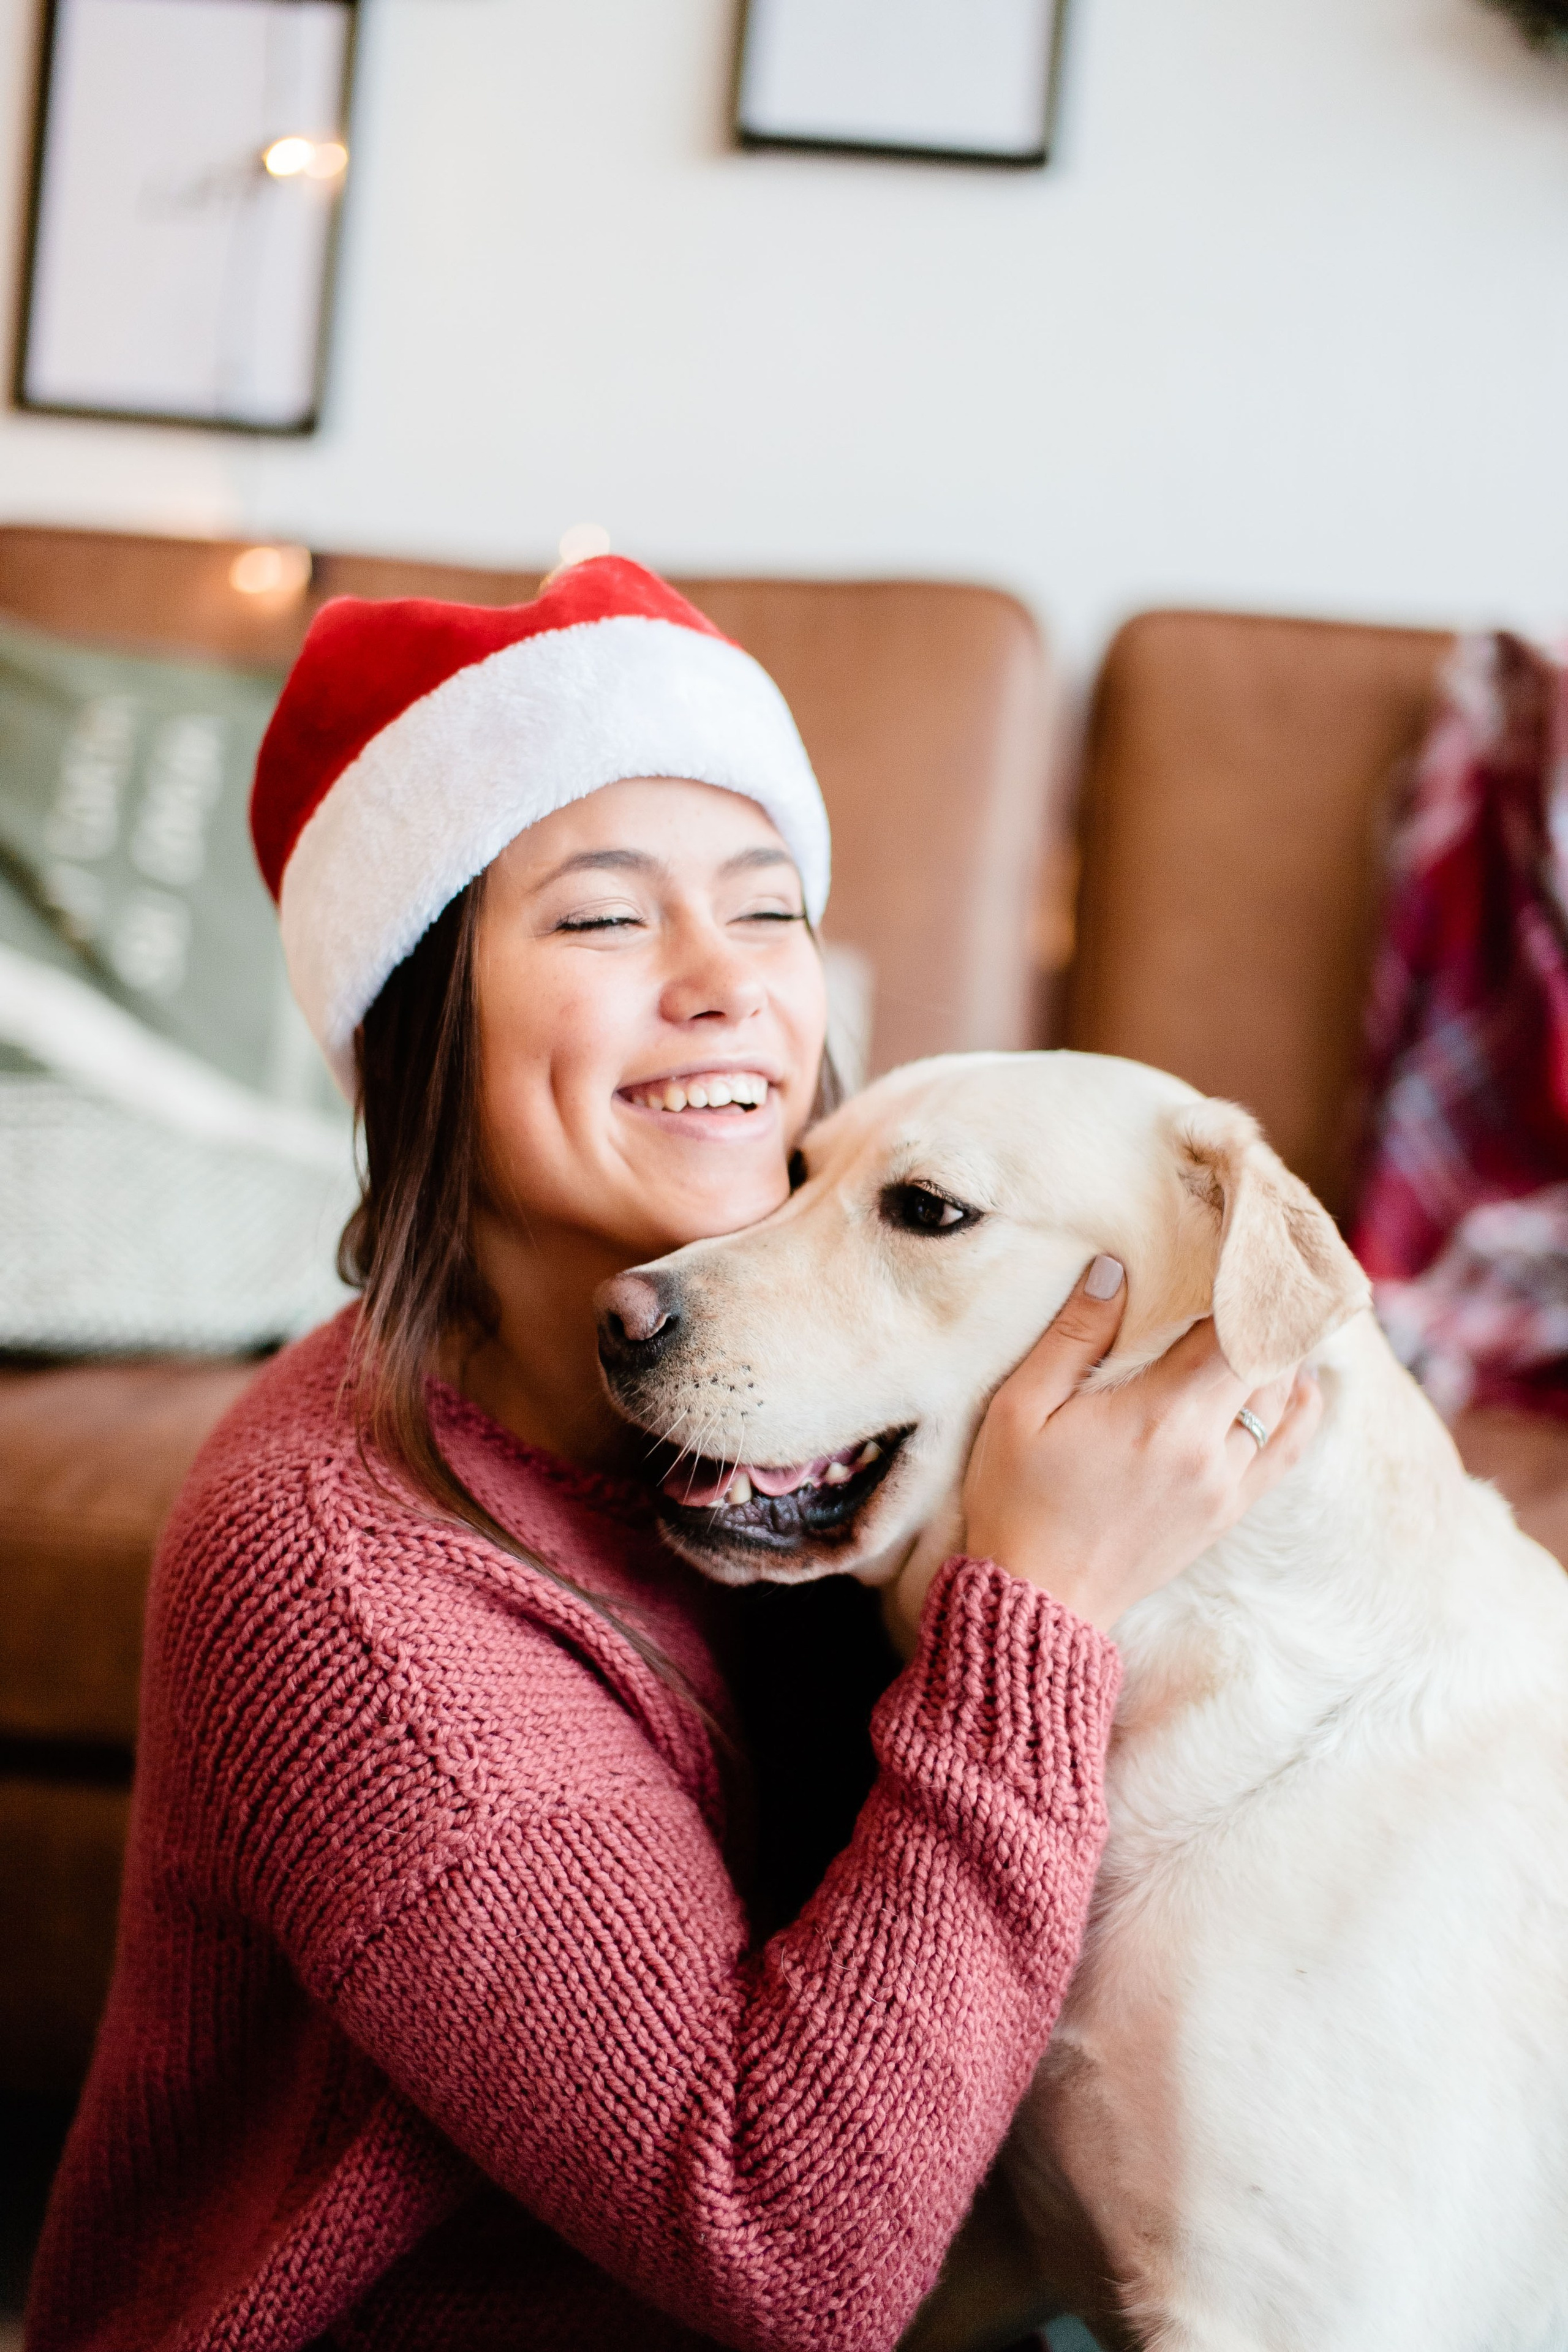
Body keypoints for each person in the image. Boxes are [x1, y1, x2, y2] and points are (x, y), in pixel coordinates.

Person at [27, 559, 1319, 2352]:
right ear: (422, 1021)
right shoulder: (348, 1591)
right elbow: (787, 2248)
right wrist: (1037, 1610)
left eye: (770, 910)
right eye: (605, 920)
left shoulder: (813, 1429)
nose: (728, 987)